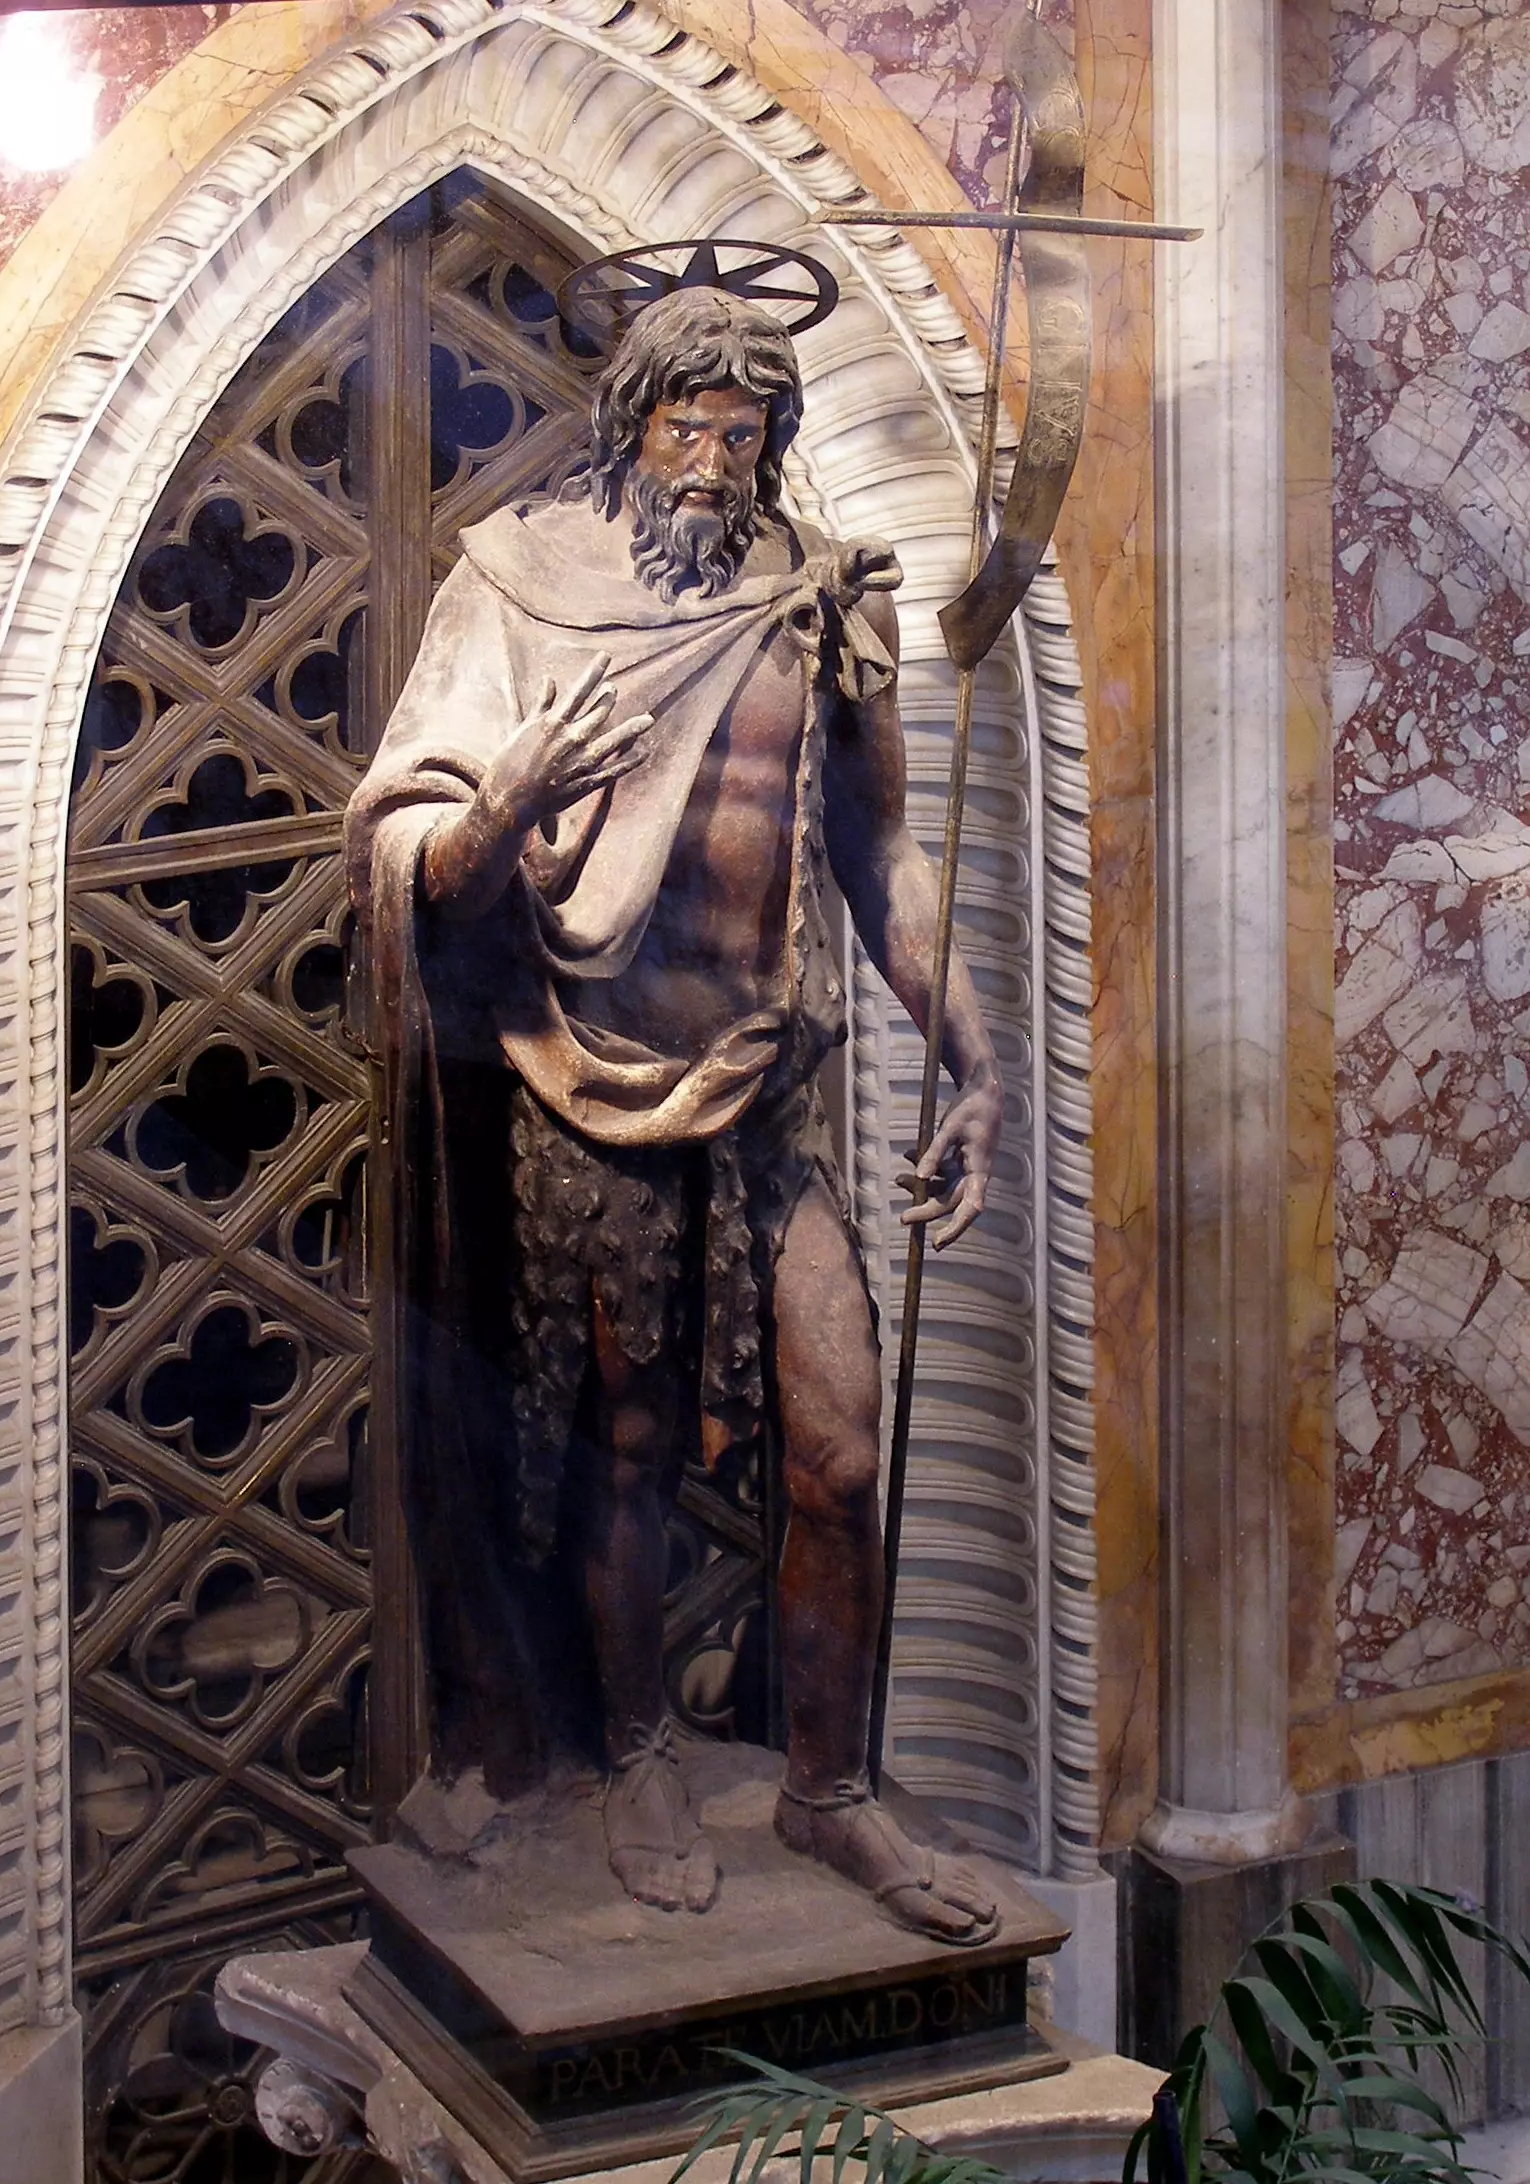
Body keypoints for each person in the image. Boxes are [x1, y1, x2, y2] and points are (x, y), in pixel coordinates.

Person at [346, 285, 1003, 1943]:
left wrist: (975, 1057)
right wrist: (508, 797)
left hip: (765, 1084)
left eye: (742, 432)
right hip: (583, 1074)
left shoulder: (815, 599)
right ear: (627, 424)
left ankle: (829, 1788)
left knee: (840, 1448)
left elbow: (878, 852)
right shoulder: (518, 584)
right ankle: (633, 1752)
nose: (711, 462)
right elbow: (407, 834)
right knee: (626, 1448)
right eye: (684, 426)